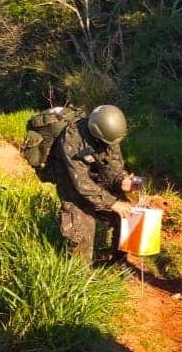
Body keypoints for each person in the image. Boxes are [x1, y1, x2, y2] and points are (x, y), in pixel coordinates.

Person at [45, 104, 139, 262]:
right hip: (72, 185)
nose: (111, 145)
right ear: (96, 133)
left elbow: (114, 167)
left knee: (126, 214)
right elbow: (80, 183)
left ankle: (119, 262)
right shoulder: (71, 140)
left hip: (94, 178)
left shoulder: (110, 135)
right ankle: (79, 278)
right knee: (81, 232)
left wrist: (121, 180)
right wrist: (112, 203)